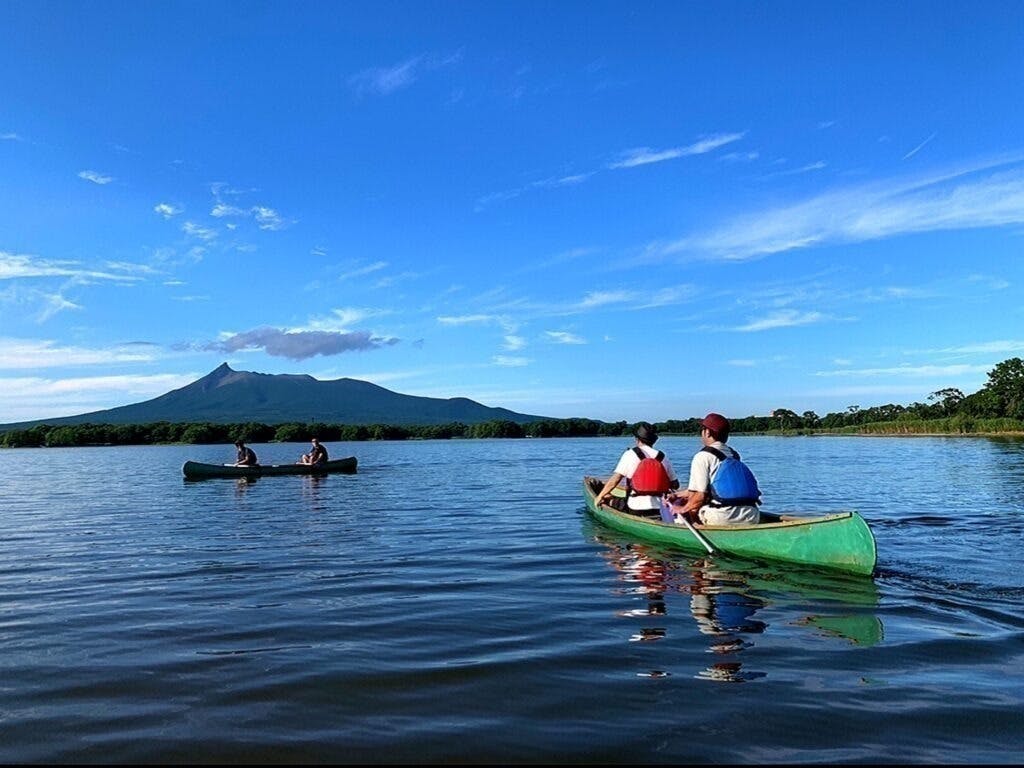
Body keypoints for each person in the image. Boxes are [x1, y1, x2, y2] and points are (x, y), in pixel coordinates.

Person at [665, 413, 761, 526]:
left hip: (722, 517)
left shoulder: (702, 456)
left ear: (707, 432)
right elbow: (716, 488)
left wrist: (681, 509)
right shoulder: (734, 455)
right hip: (752, 515)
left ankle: (697, 527)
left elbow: (698, 496)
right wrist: (677, 495)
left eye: (702, 430)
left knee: (692, 506)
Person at [594, 422, 679, 516]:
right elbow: (675, 484)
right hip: (659, 508)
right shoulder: (663, 457)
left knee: (607, 497)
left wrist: (600, 496)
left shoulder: (630, 454)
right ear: (654, 441)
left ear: (637, 439)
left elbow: (615, 479)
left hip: (634, 507)